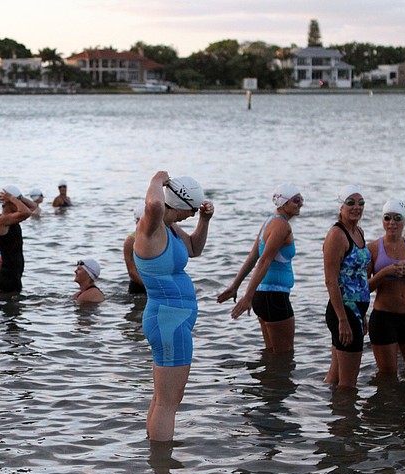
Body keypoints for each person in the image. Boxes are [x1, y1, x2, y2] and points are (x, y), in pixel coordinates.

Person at [134, 172, 213, 441]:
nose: (190, 216)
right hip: (168, 321)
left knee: (163, 399)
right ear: (176, 202)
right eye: (190, 211)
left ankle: (155, 462)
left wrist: (204, 220)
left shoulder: (171, 230)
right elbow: (154, 205)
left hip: (172, 320)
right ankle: (163, 472)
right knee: (168, 403)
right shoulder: (151, 227)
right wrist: (157, 179)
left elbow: (194, 248)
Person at [217, 184, 303, 353]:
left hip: (264, 297)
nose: (301, 204)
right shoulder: (281, 226)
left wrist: (235, 287)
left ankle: (265, 379)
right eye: (297, 200)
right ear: (284, 203)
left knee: (271, 353)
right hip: (274, 297)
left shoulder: (270, 221)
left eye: (301, 200)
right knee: (284, 356)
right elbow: (263, 261)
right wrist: (247, 296)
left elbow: (252, 257)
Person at [323, 185, 370, 389]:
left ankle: (326, 413)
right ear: (341, 206)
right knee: (348, 385)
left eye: (360, 203)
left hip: (356, 311)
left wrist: (363, 315)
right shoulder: (336, 235)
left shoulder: (358, 232)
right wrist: (343, 320)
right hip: (343, 310)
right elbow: (331, 281)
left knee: (336, 377)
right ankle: (345, 420)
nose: (356, 207)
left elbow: (359, 276)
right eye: (350, 203)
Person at [366, 199, 405, 375]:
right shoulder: (373, 248)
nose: (392, 223)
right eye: (387, 217)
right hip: (384, 317)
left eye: (397, 218)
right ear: (382, 221)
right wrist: (383, 273)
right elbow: (363, 289)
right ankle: (385, 403)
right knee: (387, 375)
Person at [0, 185, 35, 294]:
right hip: (8, 277)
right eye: (16, 202)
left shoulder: (14, 218)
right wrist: (12, 198)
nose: (20, 205)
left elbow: (33, 207)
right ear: (7, 203)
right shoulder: (2, 220)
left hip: (16, 274)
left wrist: (19, 197)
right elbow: (27, 212)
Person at [123, 204, 147, 294]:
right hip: (138, 285)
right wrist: (151, 288)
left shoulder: (159, 235)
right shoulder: (130, 241)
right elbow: (132, 272)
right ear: (137, 221)